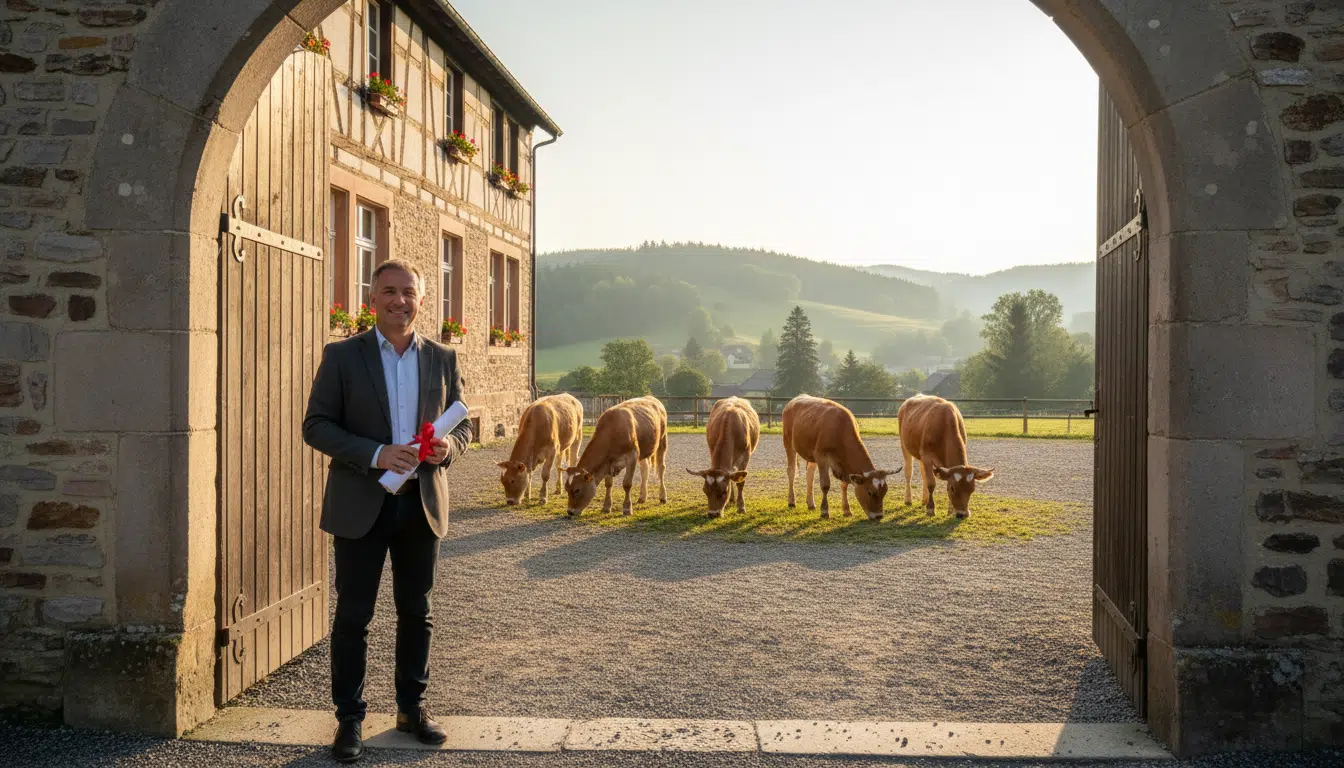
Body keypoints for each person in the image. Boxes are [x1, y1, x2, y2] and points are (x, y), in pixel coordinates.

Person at [302, 259, 473, 763]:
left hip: (421, 504)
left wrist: (450, 450)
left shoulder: (443, 358)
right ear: (371, 298)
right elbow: (316, 426)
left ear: (423, 300)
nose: (400, 300)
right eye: (389, 291)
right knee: (354, 615)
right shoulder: (341, 357)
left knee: (416, 613)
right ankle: (349, 719)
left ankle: (410, 710)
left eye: (409, 293)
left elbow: (462, 426)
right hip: (361, 504)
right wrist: (377, 454)